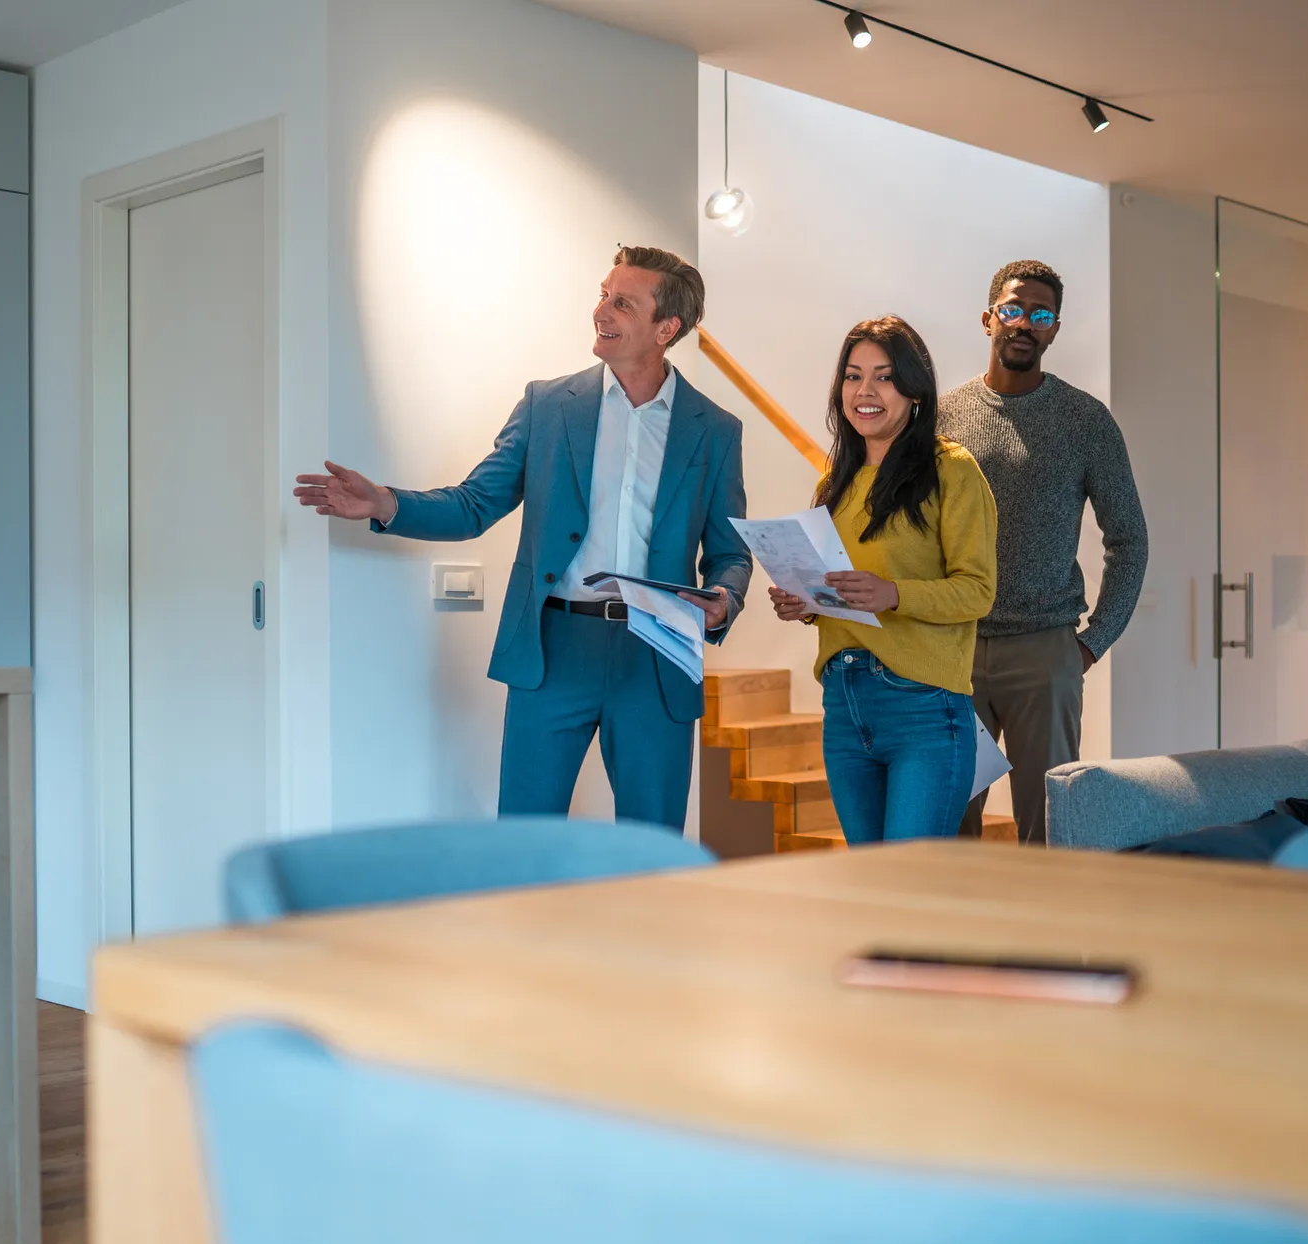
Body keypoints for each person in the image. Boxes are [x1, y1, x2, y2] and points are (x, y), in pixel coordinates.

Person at [294, 246, 751, 830]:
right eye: (603, 294)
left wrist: (724, 597)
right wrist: (388, 503)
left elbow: (730, 552)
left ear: (667, 329)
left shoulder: (715, 430)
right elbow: (474, 504)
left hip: (658, 653)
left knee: (653, 847)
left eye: (622, 303)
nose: (600, 311)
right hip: (551, 648)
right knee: (525, 838)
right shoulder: (548, 405)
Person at [940, 260, 1148, 844]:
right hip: (952, 648)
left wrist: (1091, 643)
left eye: (1040, 315)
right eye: (1012, 310)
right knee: (950, 820)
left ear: (1054, 329)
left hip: (1045, 652)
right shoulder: (943, 416)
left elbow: (1129, 538)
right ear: (988, 319)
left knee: (1048, 827)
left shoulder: (1085, 420)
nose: (1024, 324)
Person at [768, 316, 996, 843]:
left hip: (922, 707)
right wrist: (804, 602)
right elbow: (839, 590)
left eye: (884, 377)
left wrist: (892, 594)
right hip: (843, 703)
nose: (864, 391)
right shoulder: (835, 481)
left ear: (914, 390)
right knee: (870, 878)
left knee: (911, 880)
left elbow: (978, 591)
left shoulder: (951, 469)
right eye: (853, 376)